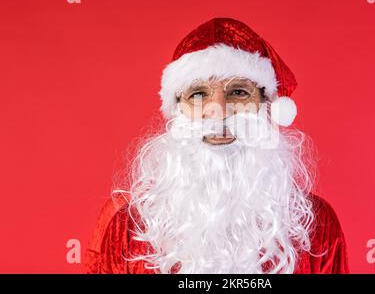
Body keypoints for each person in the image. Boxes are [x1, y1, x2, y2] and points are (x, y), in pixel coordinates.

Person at [84, 17, 349, 274]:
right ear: (177, 111)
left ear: (266, 107)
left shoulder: (317, 224)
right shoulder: (123, 224)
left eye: (239, 92)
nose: (218, 111)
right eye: (198, 94)